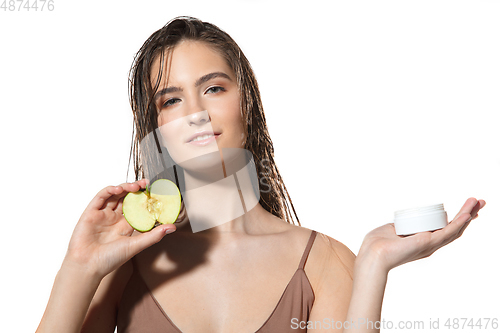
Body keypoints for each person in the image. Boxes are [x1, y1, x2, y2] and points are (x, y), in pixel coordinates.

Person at [36, 16, 486, 333]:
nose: (195, 113)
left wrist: (372, 265)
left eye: (213, 88)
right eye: (170, 100)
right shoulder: (123, 266)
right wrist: (79, 268)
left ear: (246, 106)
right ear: (157, 130)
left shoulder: (324, 263)